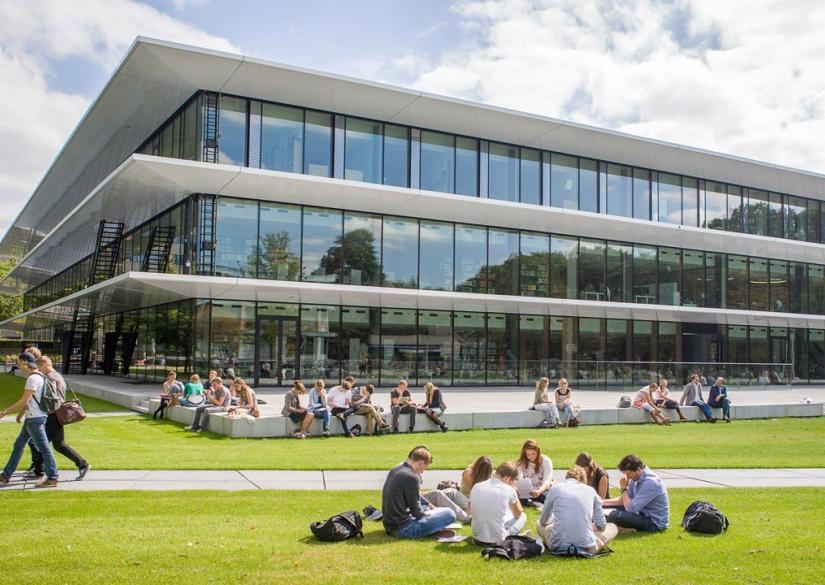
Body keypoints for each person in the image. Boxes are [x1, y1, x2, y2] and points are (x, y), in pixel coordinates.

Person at [0, 352, 59, 488]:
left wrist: (5, 412)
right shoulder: (39, 376)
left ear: (25, 362)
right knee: (18, 445)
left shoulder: (33, 379)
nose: (17, 365)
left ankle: (53, 477)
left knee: (44, 448)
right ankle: (6, 475)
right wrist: (21, 415)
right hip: (33, 418)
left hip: (35, 419)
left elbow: (24, 401)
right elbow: (29, 401)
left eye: (19, 362)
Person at [26, 356, 90, 481]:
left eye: (39, 367)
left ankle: (82, 464)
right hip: (55, 414)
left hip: (53, 415)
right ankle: (38, 469)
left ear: (45, 364)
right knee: (46, 444)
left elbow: (50, 398)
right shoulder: (57, 375)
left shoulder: (50, 378)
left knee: (55, 444)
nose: (38, 370)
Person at [537, 466, 617, 553]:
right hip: (587, 546)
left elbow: (543, 521)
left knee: (539, 524)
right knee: (612, 527)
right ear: (584, 479)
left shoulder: (555, 489)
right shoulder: (591, 491)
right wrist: (590, 527)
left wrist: (553, 523)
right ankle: (591, 541)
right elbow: (602, 525)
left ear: (567, 477)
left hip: (557, 544)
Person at [382, 446, 456, 538]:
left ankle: (432, 529)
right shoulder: (412, 477)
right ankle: (431, 531)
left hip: (389, 525)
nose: (423, 471)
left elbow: (415, 496)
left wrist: (430, 506)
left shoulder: (397, 468)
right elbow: (416, 512)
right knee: (450, 513)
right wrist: (432, 513)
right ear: (420, 463)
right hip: (403, 528)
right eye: (425, 467)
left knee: (426, 507)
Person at [602, 454, 670, 532]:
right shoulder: (636, 478)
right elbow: (624, 500)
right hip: (640, 513)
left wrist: (624, 489)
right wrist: (603, 502)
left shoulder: (651, 482)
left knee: (614, 515)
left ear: (638, 469)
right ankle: (619, 526)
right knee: (604, 509)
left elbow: (631, 509)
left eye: (629, 473)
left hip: (654, 523)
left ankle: (621, 528)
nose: (627, 476)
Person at [469, 461, 526, 546]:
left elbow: (470, 511)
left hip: (477, 538)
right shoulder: (509, 489)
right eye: (512, 481)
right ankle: (511, 537)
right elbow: (518, 513)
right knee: (523, 516)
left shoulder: (477, 486)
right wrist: (514, 491)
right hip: (498, 540)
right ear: (508, 478)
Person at [515, 439, 554, 507]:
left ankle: (533, 503)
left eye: (533, 454)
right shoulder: (522, 461)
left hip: (543, 490)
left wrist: (539, 491)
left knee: (549, 500)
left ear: (538, 452)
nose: (530, 457)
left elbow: (547, 480)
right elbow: (516, 478)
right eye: (528, 454)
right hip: (529, 491)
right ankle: (533, 503)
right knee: (514, 497)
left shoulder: (546, 461)